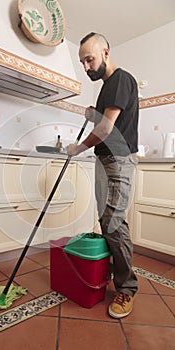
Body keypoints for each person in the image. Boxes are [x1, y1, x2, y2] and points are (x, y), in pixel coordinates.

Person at [67, 32, 139, 319]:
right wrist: (92, 114)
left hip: (119, 160)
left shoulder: (121, 79)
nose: (86, 67)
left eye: (90, 59)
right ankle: (110, 273)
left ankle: (127, 287)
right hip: (104, 159)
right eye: (82, 61)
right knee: (107, 220)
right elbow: (106, 120)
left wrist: (78, 147)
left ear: (106, 53)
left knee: (113, 220)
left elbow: (108, 130)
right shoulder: (107, 87)